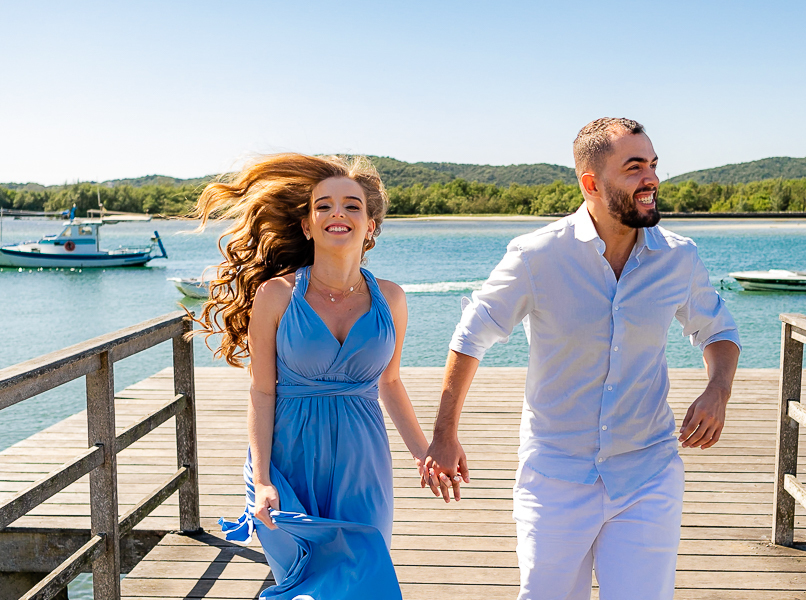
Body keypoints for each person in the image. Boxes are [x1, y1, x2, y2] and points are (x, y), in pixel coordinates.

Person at [421, 118, 741, 600]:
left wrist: (718, 390)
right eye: (634, 168)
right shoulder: (536, 255)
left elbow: (718, 329)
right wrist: (445, 434)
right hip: (555, 478)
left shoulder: (679, 257)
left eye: (653, 165)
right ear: (591, 184)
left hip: (647, 474)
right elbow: (472, 334)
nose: (651, 179)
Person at [192, 153, 429, 599]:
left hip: (363, 464)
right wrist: (263, 479)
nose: (338, 213)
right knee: (305, 587)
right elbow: (262, 392)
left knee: (365, 579)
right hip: (289, 460)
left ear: (370, 226)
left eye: (352, 205)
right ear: (307, 225)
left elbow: (390, 383)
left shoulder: (392, 299)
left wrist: (424, 453)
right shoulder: (277, 295)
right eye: (324, 205)